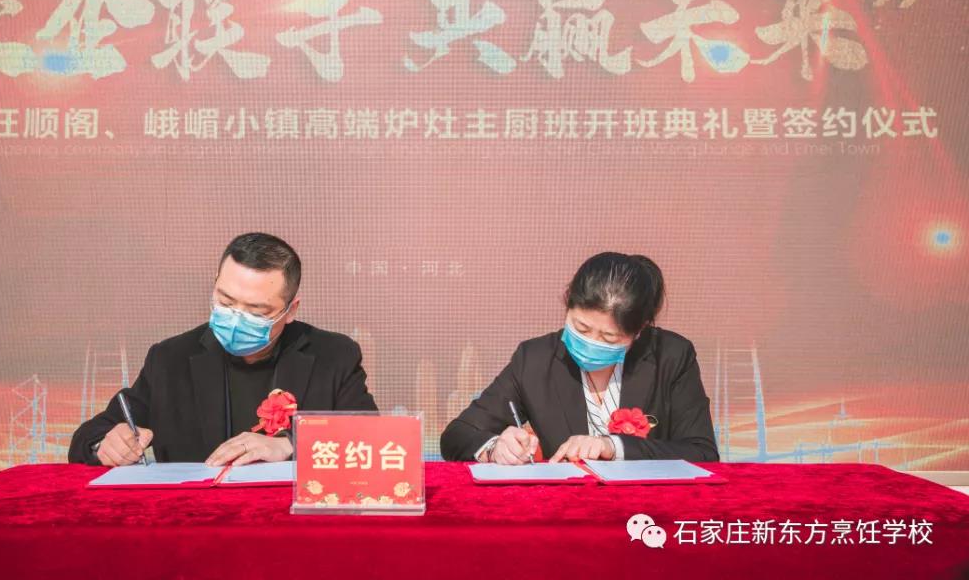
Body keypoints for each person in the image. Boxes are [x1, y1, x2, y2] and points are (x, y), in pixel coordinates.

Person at [69, 232, 377, 467]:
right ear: (215, 283)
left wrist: (290, 445)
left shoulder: (333, 356)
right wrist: (105, 445)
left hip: (292, 521)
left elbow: (372, 441)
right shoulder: (170, 359)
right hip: (197, 521)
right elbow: (88, 436)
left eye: (257, 311)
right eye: (226, 302)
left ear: (291, 310)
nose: (236, 319)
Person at [440, 252, 718, 464]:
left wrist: (613, 447)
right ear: (567, 303)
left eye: (609, 338)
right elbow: (458, 434)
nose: (592, 343)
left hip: (648, 510)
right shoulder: (535, 359)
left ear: (639, 331)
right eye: (582, 328)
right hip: (566, 509)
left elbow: (702, 452)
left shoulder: (671, 356)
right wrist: (494, 448)